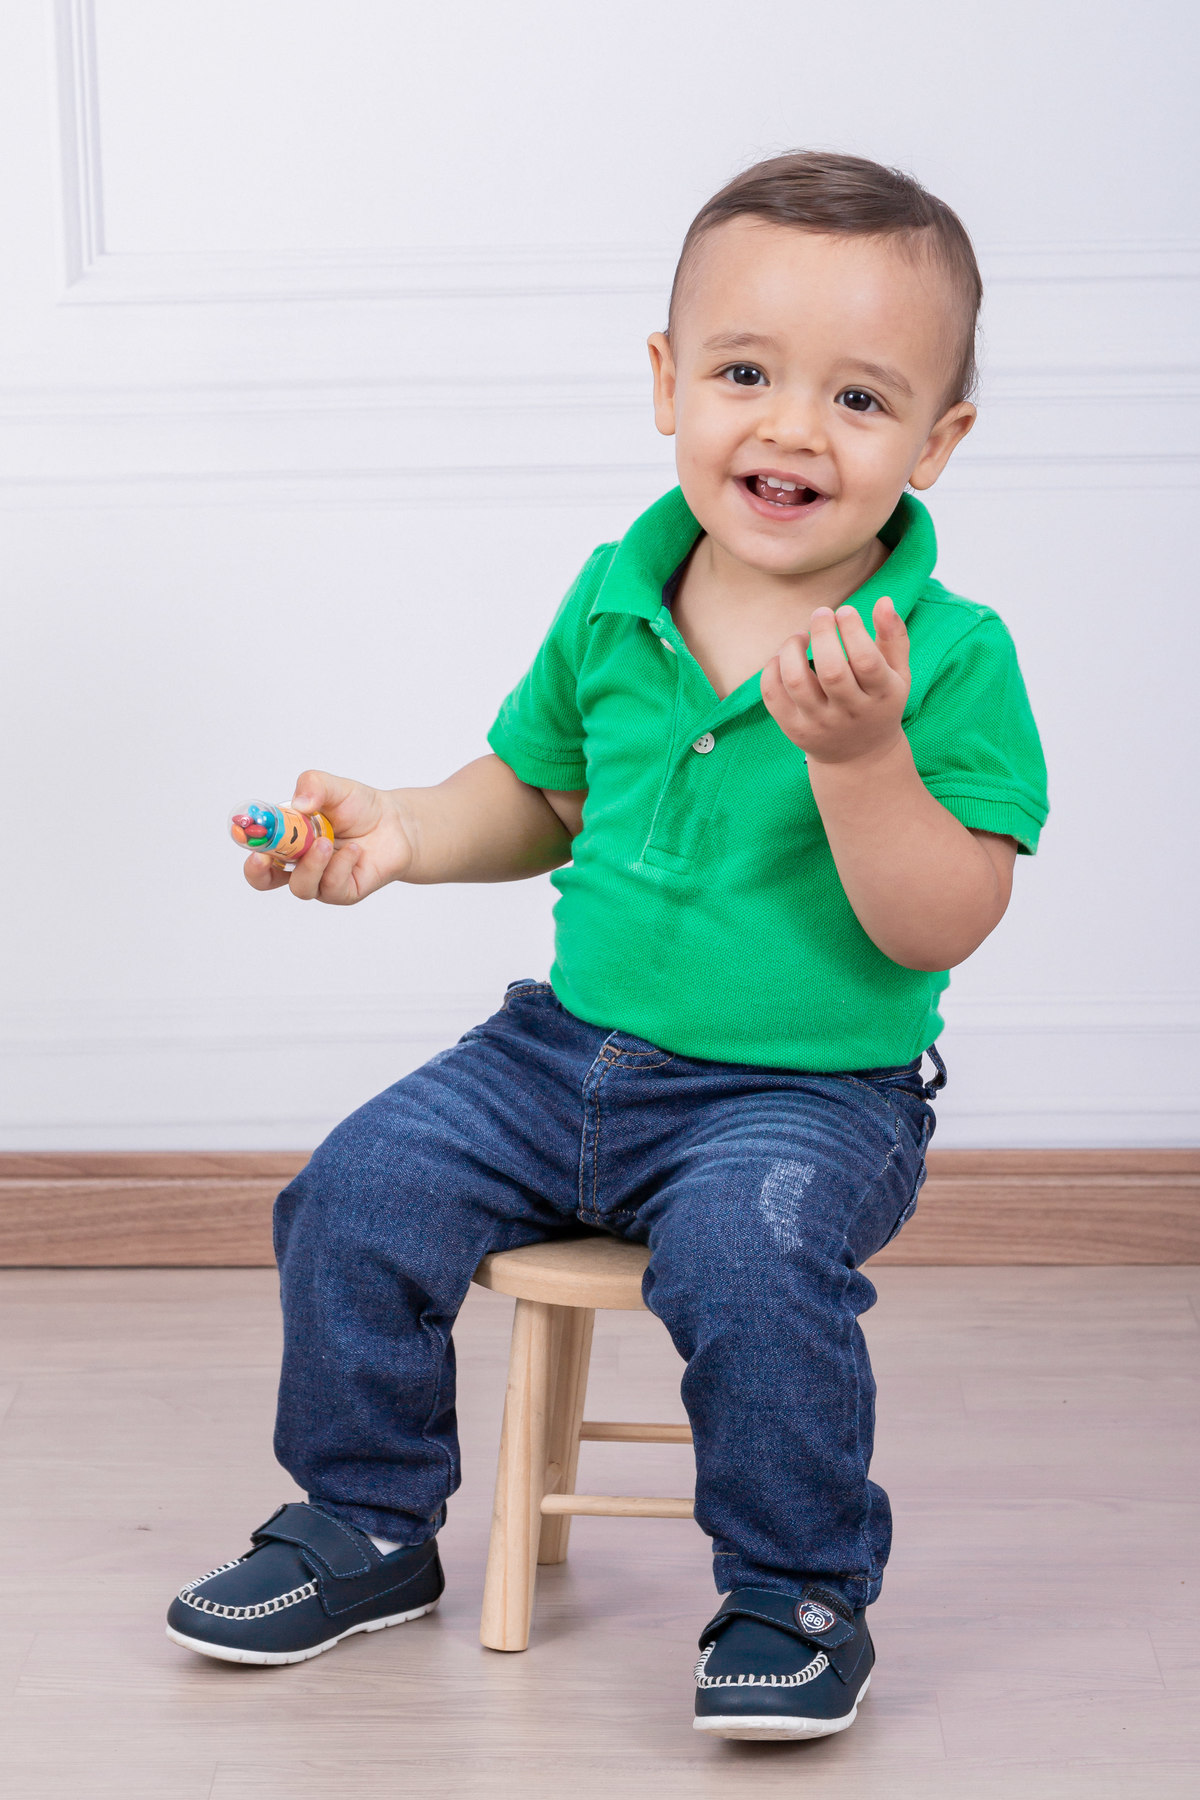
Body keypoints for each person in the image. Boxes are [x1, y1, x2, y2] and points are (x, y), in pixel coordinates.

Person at [166, 151, 1048, 1741]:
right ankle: (364, 1522)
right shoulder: (615, 595)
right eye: (745, 374)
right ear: (666, 383)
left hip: (805, 1095)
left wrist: (862, 761)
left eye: (859, 398)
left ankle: (795, 1592)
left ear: (938, 440)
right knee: (353, 1192)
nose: (792, 427)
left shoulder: (948, 656)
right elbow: (540, 794)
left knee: (746, 1263)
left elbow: (949, 918)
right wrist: (402, 830)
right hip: (559, 1054)